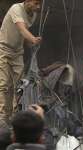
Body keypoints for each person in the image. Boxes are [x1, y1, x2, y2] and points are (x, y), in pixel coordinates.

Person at [0, 0, 42, 128]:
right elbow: (22, 29)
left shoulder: (33, 15)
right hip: (4, 50)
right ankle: (2, 118)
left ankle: (15, 117)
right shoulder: (16, 9)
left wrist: (30, 43)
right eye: (36, 3)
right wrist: (33, 39)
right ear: (27, 1)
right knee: (4, 84)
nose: (38, 7)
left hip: (17, 52)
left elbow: (22, 34)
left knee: (19, 86)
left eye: (39, 4)